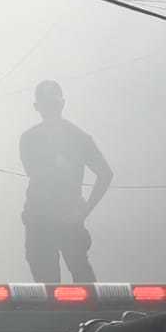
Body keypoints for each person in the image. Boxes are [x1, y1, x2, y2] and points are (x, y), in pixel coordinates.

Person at [19, 80, 114, 283]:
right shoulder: (29, 139)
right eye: (46, 104)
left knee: (82, 277)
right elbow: (34, 172)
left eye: (53, 104)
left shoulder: (79, 138)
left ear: (62, 104)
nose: (50, 109)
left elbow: (105, 174)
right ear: (37, 107)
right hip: (40, 219)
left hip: (66, 218)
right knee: (47, 286)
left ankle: (92, 314)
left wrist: (85, 210)